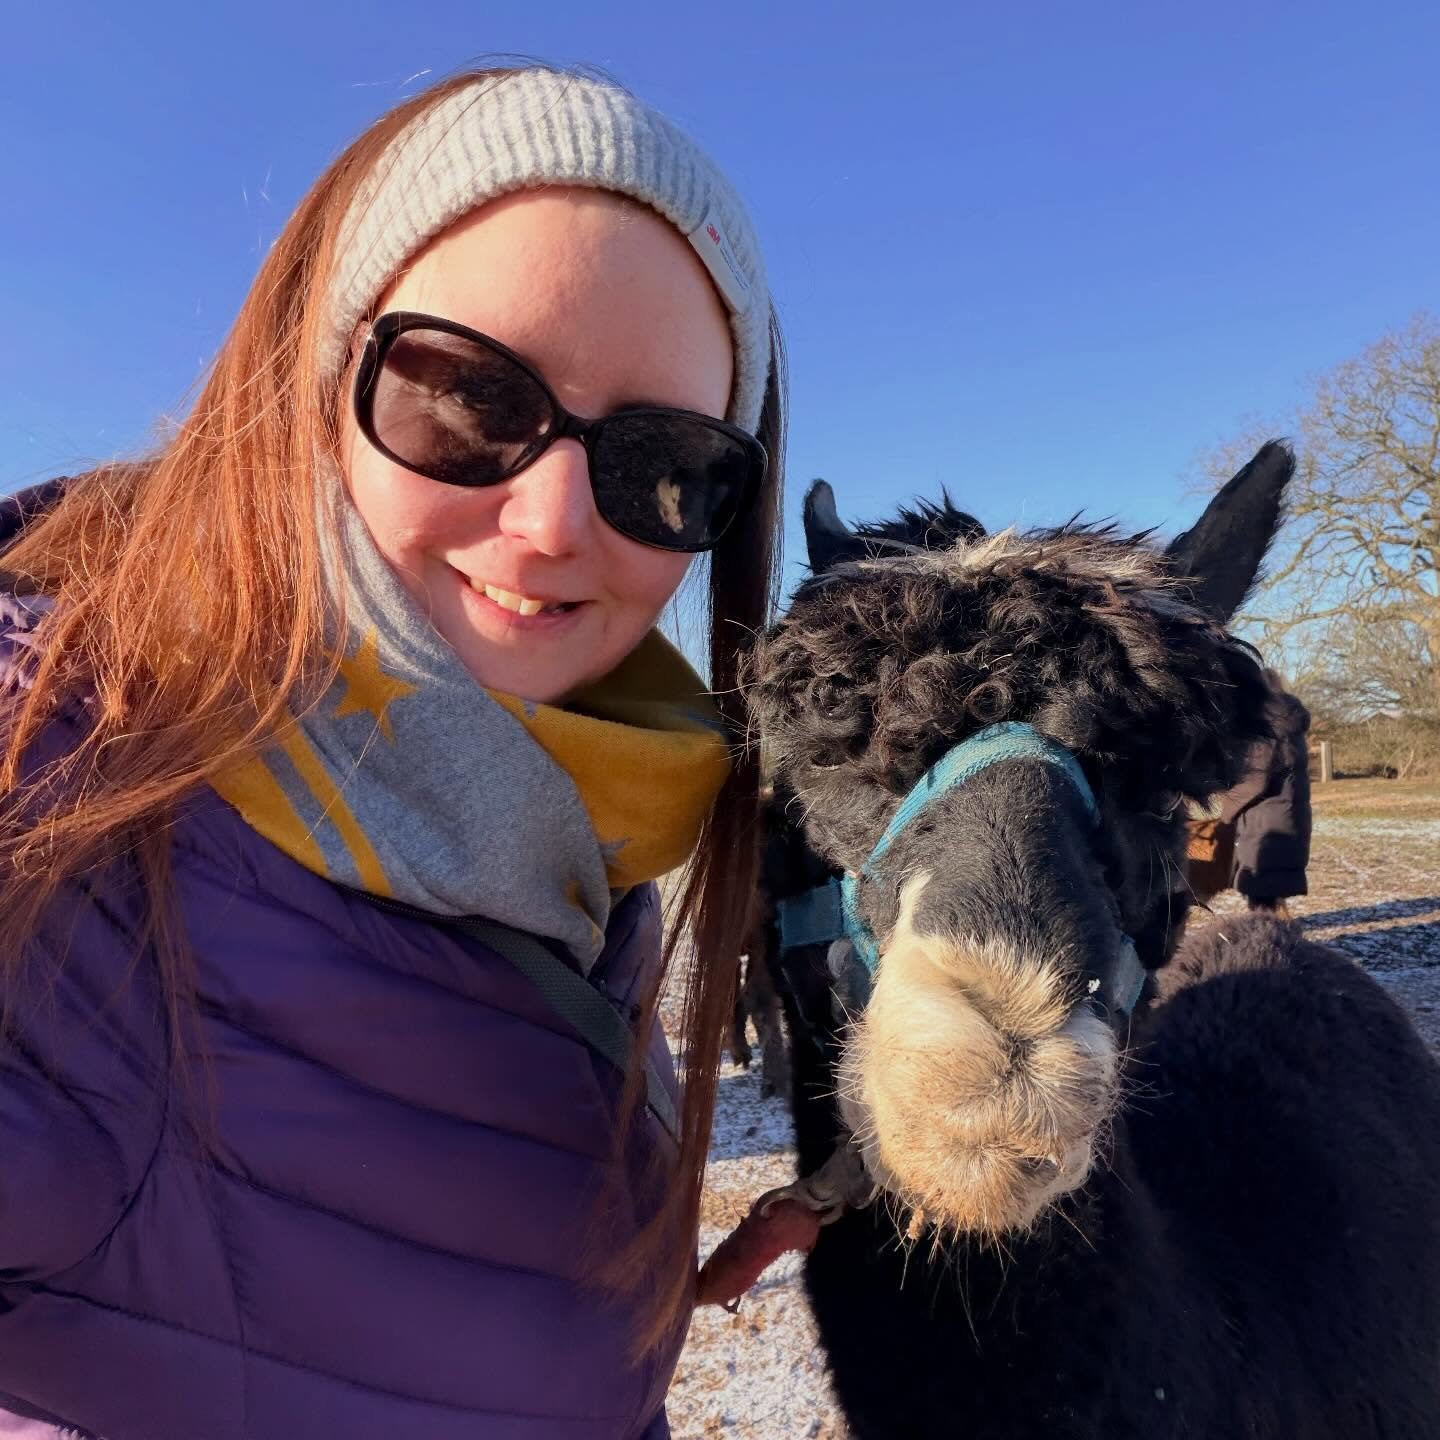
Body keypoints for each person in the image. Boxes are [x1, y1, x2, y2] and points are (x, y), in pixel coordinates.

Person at [0, 65, 783, 1440]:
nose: (549, 522)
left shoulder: (580, 821)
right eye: (469, 397)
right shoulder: (56, 768)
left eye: (665, 465)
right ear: (318, 375)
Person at [1186, 672, 1312, 913]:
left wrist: (1227, 812)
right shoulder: (1288, 723)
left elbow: (1254, 778)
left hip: (1265, 822)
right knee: (1270, 893)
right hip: (1287, 816)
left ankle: (1271, 940)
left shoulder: (1267, 722)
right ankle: (1275, 931)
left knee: (1262, 892)